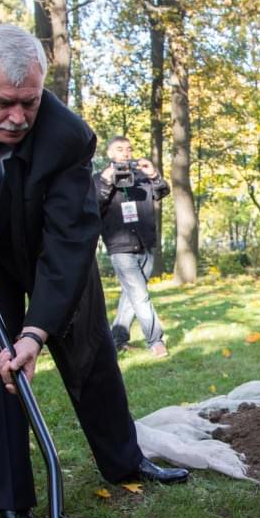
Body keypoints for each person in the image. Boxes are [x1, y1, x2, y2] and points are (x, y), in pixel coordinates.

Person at [0, 24, 188, 518]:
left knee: (91, 350)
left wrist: (38, 331)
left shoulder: (67, 136)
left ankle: (125, 462)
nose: (17, 118)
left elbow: (71, 241)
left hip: (47, 250)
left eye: (28, 103)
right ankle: (15, 504)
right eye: (2, 103)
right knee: (2, 365)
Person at [96, 137, 171, 356]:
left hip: (146, 243)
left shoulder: (141, 177)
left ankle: (117, 339)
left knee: (132, 294)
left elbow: (162, 192)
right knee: (140, 294)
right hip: (120, 247)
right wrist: (105, 182)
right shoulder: (99, 179)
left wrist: (153, 174)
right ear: (110, 154)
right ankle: (155, 340)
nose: (125, 154)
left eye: (129, 149)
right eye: (120, 150)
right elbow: (93, 206)